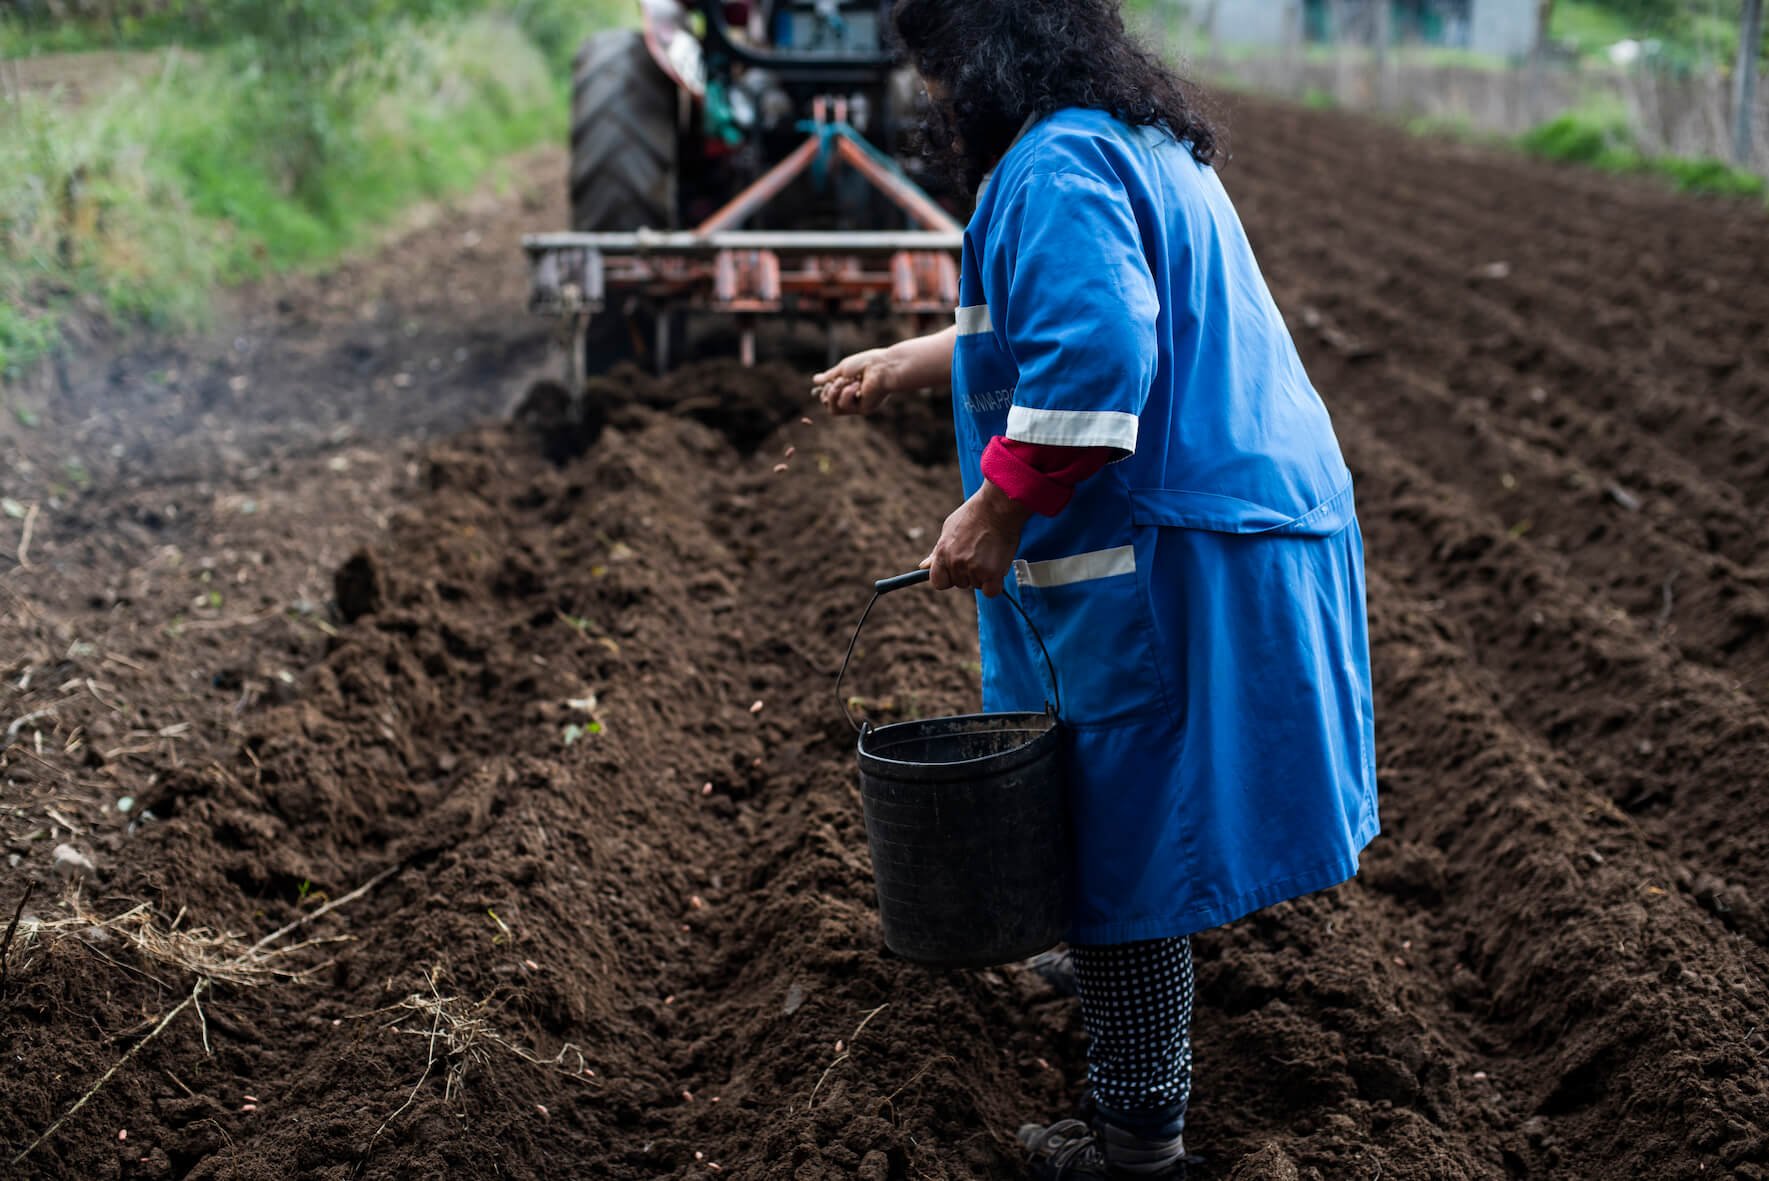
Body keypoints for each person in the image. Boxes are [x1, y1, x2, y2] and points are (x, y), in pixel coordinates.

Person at [813, 1, 1379, 1177]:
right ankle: (1109, 941)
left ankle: (1136, 1139)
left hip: (1178, 539)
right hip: (1230, 513)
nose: (930, 93)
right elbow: (1050, 321)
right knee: (1121, 797)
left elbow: (1097, 357)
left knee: (1125, 822)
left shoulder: (1055, 159)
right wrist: (911, 360)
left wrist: (995, 507)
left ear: (976, 56)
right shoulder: (1126, 135)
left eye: (932, 66)